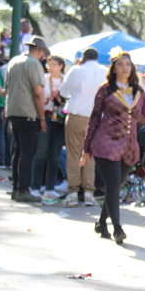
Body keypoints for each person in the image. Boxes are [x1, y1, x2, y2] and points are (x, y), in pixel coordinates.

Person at [82, 48, 145, 244]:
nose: (124, 67)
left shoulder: (138, 91)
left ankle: (102, 222)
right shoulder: (105, 90)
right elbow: (94, 119)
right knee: (112, 184)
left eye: (127, 64)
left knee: (116, 186)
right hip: (106, 143)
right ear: (113, 68)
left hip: (129, 146)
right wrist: (87, 147)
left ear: (132, 68)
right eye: (120, 64)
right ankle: (117, 228)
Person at [5, 35, 49, 203]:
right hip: (28, 112)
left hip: (13, 110)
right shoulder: (34, 65)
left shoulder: (14, 62)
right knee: (27, 151)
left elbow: (7, 88)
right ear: (40, 51)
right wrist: (42, 117)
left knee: (17, 150)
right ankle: (23, 189)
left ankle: (16, 187)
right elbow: (38, 93)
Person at [62, 47, 104, 207]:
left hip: (76, 115)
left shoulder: (77, 70)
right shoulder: (104, 72)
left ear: (84, 57)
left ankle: (73, 192)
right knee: (90, 155)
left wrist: (75, 66)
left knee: (73, 153)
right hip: (95, 118)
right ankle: (88, 192)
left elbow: (64, 92)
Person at [30, 55, 67, 199]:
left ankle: (50, 187)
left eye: (53, 65)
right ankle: (35, 186)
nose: (50, 68)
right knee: (41, 153)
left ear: (60, 66)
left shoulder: (66, 80)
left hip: (60, 120)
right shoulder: (44, 79)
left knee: (55, 155)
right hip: (46, 117)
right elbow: (37, 96)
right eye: (48, 65)